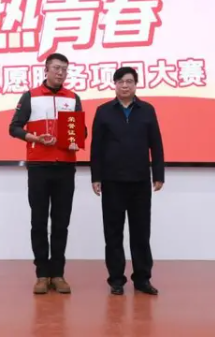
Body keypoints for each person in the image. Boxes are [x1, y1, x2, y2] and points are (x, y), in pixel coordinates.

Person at [9, 53, 86, 295]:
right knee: (39, 222)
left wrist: (76, 137)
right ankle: (42, 274)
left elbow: (81, 131)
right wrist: (34, 138)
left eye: (64, 69)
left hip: (65, 167)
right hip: (39, 167)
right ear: (46, 69)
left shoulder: (73, 98)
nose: (60, 72)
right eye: (56, 68)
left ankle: (58, 274)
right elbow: (14, 128)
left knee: (61, 223)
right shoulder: (30, 96)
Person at [90, 66, 164, 295]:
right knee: (113, 233)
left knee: (141, 233)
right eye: (121, 81)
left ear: (135, 84)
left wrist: (158, 174)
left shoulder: (147, 110)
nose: (125, 85)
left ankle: (142, 279)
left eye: (129, 81)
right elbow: (96, 147)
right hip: (112, 181)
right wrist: (96, 177)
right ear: (114, 84)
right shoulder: (103, 111)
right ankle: (116, 280)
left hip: (140, 181)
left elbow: (156, 144)